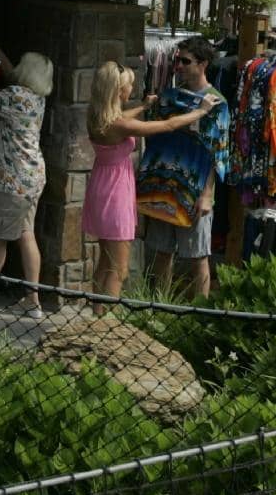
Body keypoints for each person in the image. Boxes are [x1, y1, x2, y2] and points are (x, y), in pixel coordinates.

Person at [80, 59, 211, 301]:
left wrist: (142, 106)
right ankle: (107, 320)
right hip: (115, 193)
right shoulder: (121, 124)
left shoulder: (97, 117)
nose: (132, 88)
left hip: (101, 187)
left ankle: (96, 314)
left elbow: (122, 118)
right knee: (118, 269)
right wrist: (200, 111)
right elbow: (168, 124)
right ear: (119, 91)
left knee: (105, 260)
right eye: (129, 85)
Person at [136, 36, 231, 300]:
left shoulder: (216, 104)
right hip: (164, 185)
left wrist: (208, 193)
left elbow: (218, 152)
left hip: (194, 188)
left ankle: (198, 313)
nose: (178, 66)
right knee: (161, 251)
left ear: (203, 64)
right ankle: (159, 306)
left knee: (197, 255)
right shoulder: (168, 96)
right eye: (177, 60)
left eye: (185, 61)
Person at [0, 53, 54, 318]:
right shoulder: (37, 100)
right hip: (32, 177)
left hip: (11, 179)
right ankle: (33, 300)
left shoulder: (13, 96)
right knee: (25, 234)